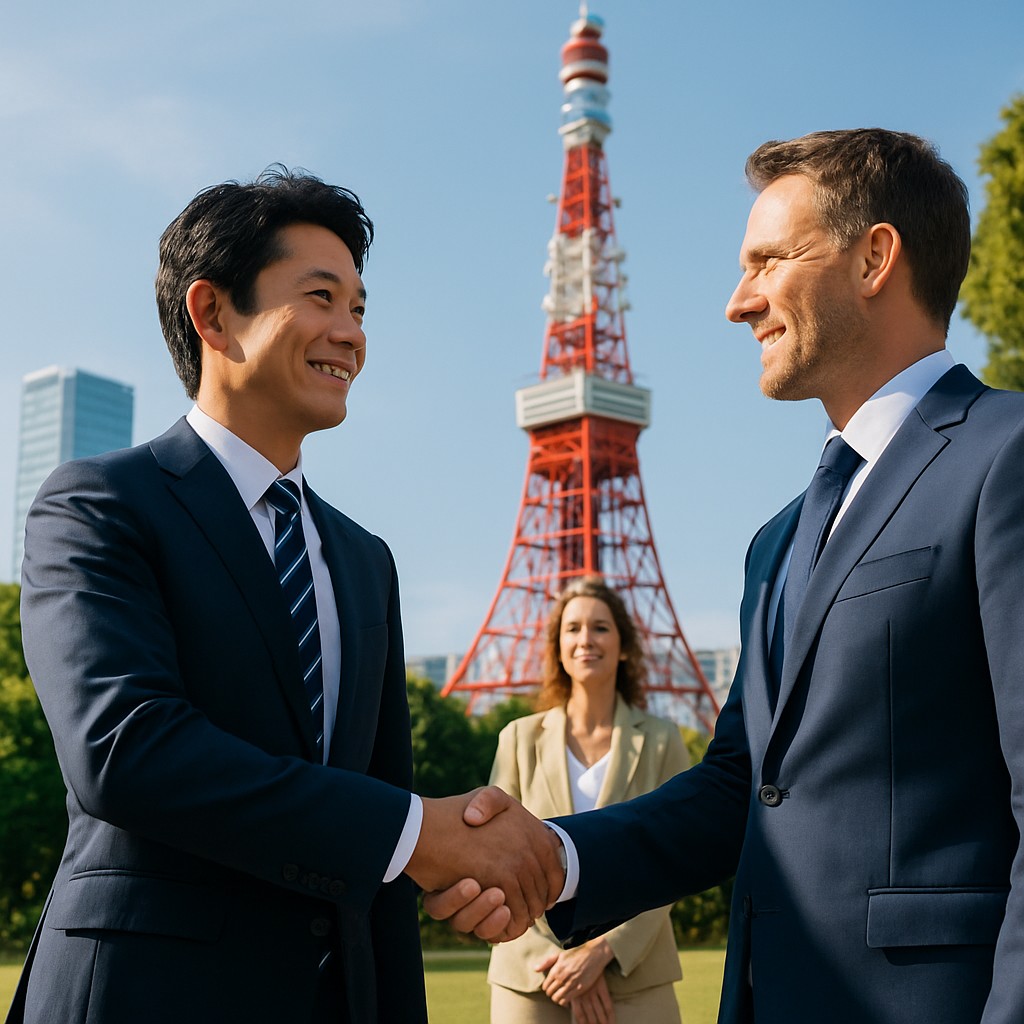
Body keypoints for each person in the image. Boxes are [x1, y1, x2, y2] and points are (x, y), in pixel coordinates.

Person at [429, 129, 1024, 1023]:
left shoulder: (1004, 456)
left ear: (875, 257)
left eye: (767, 261)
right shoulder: (777, 540)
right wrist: (555, 856)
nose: (736, 302)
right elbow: (737, 790)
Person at [8, 167, 562, 1024]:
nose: (350, 333)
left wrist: (432, 857)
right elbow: (125, 750)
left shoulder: (364, 559)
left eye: (361, 309)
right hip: (141, 995)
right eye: (321, 297)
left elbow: (379, 809)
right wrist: (419, 833)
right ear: (211, 312)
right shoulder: (100, 503)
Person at [488, 577, 687, 1024]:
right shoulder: (518, 739)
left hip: (636, 973)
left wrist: (601, 951)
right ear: (558, 647)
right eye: (572, 628)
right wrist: (562, 959)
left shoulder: (661, 741)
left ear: (624, 645)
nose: (585, 639)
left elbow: (678, 860)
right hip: (531, 971)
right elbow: (495, 859)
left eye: (600, 627)